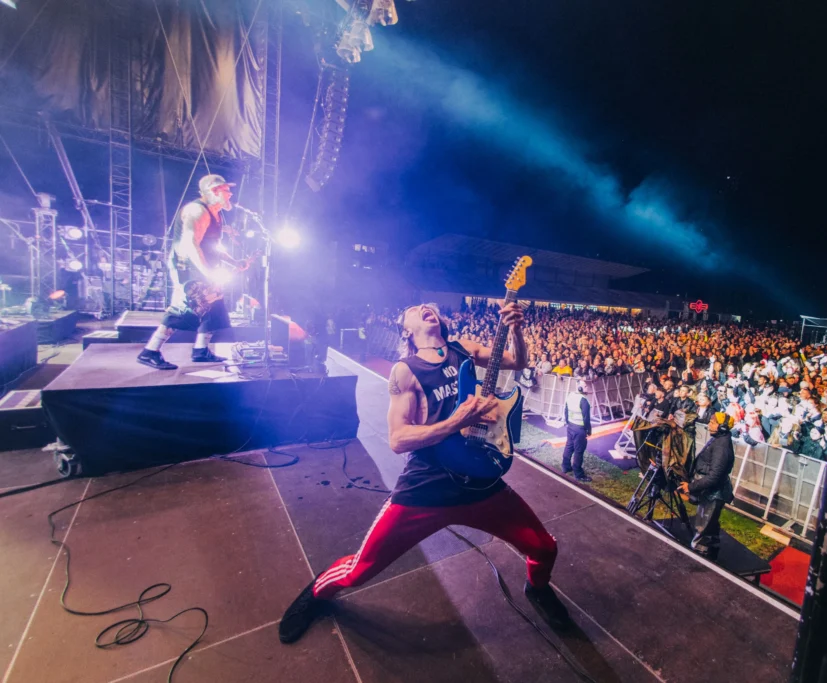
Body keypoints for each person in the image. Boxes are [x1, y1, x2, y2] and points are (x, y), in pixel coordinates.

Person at [278, 301, 572, 644]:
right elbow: (398, 439)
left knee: (545, 548)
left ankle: (537, 589)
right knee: (360, 569)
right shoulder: (406, 370)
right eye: (417, 308)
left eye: (429, 306)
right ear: (406, 328)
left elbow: (517, 361)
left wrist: (517, 329)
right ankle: (316, 592)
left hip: (480, 482)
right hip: (428, 486)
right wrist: (455, 422)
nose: (425, 307)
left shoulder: (463, 349)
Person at [137, 174, 246, 370]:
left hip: (204, 265)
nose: (230, 195)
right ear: (214, 191)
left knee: (213, 306)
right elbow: (190, 244)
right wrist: (208, 273)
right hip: (187, 265)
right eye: (226, 191)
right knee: (185, 306)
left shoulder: (216, 213)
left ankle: (200, 351)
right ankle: (150, 351)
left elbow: (214, 246)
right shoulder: (197, 211)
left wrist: (233, 261)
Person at [678, 412, 736, 556]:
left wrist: (691, 487)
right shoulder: (719, 439)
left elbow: (714, 476)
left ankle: (699, 554)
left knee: (703, 525)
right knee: (710, 522)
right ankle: (712, 546)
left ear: (722, 427)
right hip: (711, 491)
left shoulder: (721, 447)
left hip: (714, 493)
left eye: (712, 422)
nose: (709, 424)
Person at [562, 379, 592, 482]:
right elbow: (586, 418)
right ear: (580, 388)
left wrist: (568, 423)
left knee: (569, 446)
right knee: (579, 451)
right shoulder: (584, 400)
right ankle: (579, 474)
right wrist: (588, 430)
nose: (587, 388)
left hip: (571, 426)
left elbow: (565, 411)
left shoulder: (570, 395)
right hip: (579, 429)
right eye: (585, 386)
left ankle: (565, 467)